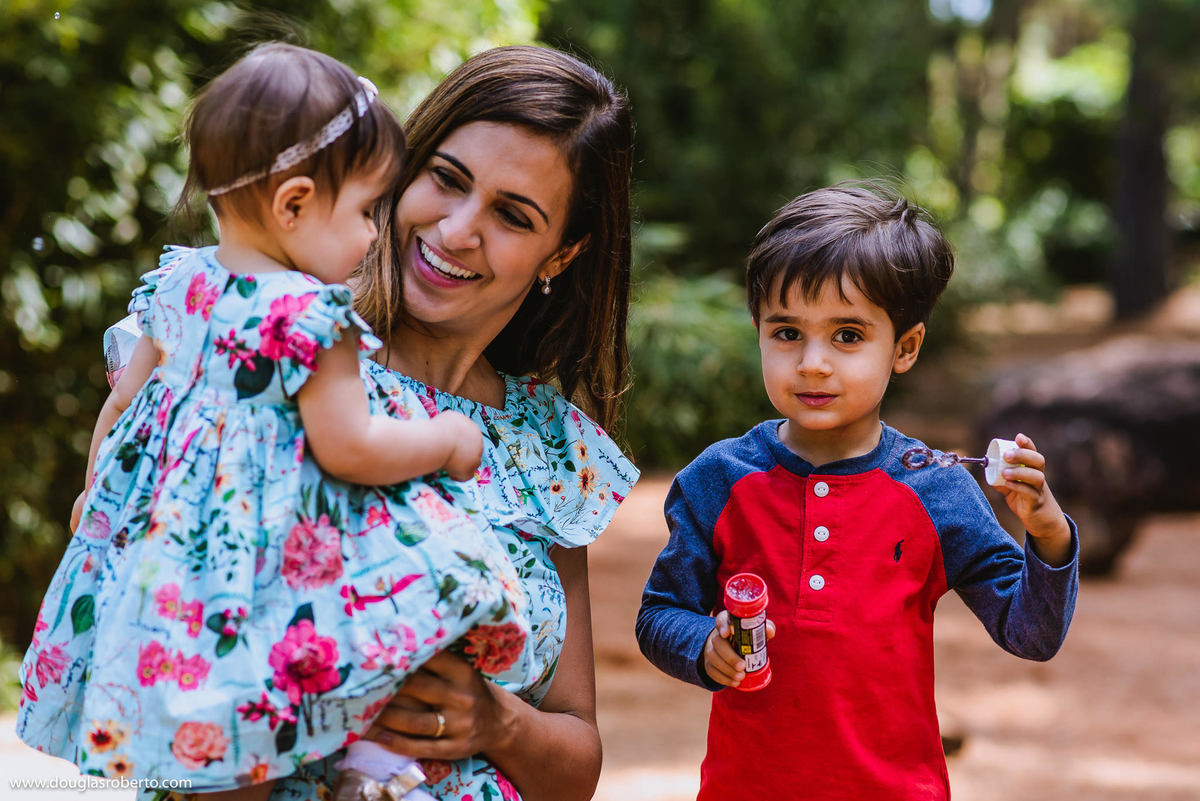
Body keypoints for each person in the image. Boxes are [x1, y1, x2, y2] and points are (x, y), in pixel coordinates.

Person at [104, 45, 637, 801]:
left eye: (513, 216)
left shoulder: (551, 452)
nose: (457, 229)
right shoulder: (262, 333)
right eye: (446, 178)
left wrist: (497, 723)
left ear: (563, 253)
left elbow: (576, 763)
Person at [635, 182, 1079, 800]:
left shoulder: (935, 488)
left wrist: (1048, 533)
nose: (812, 363)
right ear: (758, 331)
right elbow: (659, 614)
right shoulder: (720, 478)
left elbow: (1030, 633)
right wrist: (703, 647)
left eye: (847, 335)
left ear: (905, 348)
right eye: (787, 333)